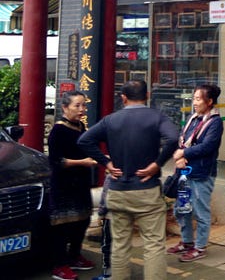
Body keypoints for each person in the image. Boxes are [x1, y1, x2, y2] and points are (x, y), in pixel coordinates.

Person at [78, 80, 179, 280]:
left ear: (123, 97)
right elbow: (174, 138)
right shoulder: (156, 117)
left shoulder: (111, 120)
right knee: (154, 245)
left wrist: (106, 162)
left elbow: (84, 140)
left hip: (118, 191)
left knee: (120, 245)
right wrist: (157, 163)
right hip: (147, 190)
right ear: (147, 95)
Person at [167, 83, 223, 262]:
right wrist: (180, 156)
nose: (195, 102)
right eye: (194, 98)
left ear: (210, 101)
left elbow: (207, 147)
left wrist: (184, 153)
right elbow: (183, 141)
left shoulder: (215, 122)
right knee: (181, 210)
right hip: (185, 172)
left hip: (201, 174)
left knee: (201, 212)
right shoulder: (194, 118)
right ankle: (187, 242)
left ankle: (200, 247)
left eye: (198, 99)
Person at [48, 90, 97, 280]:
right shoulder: (58, 131)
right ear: (64, 107)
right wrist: (83, 162)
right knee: (62, 226)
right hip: (63, 186)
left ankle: (75, 256)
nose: (82, 109)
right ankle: (59, 265)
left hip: (80, 184)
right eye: (77, 106)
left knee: (82, 221)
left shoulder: (80, 127)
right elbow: (56, 161)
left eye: (83, 105)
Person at [91, 172, 112, 280]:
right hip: (124, 217)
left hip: (110, 217)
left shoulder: (110, 176)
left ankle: (108, 274)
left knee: (107, 246)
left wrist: (100, 214)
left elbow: (105, 198)